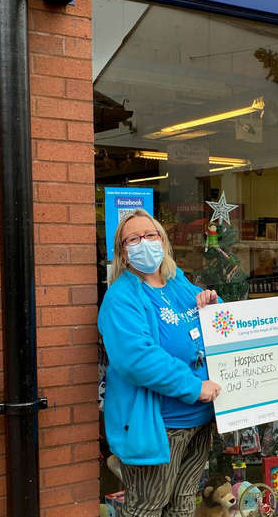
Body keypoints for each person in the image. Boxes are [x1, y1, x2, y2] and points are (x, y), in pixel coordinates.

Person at [98, 209, 222, 517]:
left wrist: (213, 307)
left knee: (181, 506)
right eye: (134, 239)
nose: (144, 243)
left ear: (163, 242)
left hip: (200, 420)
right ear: (123, 253)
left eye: (150, 235)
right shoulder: (121, 297)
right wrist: (194, 387)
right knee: (147, 509)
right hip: (160, 427)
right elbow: (137, 359)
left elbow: (215, 328)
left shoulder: (178, 283)